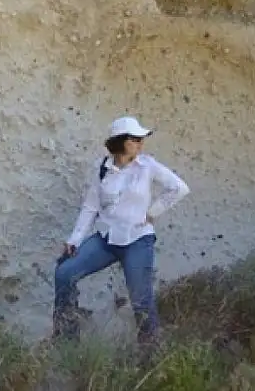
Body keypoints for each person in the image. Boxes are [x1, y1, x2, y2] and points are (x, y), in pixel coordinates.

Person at [52, 115, 191, 347]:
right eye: (135, 139)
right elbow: (90, 206)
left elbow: (179, 188)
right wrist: (75, 239)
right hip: (106, 240)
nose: (140, 143)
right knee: (64, 273)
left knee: (141, 301)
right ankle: (66, 339)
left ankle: (151, 354)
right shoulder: (102, 168)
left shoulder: (148, 166)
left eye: (141, 138)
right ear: (121, 142)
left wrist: (152, 212)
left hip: (137, 240)